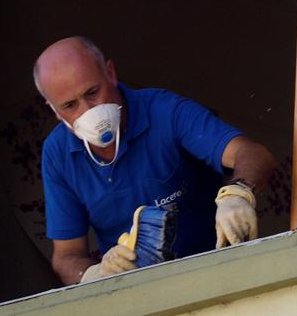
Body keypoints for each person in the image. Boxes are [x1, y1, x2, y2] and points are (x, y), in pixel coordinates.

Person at [34, 36, 277, 284]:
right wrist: (95, 275)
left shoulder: (165, 111)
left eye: (93, 92)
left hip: (218, 275)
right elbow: (66, 256)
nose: (88, 111)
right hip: (139, 296)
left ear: (110, 73)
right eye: (70, 105)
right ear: (54, 110)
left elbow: (252, 154)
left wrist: (237, 194)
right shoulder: (57, 154)